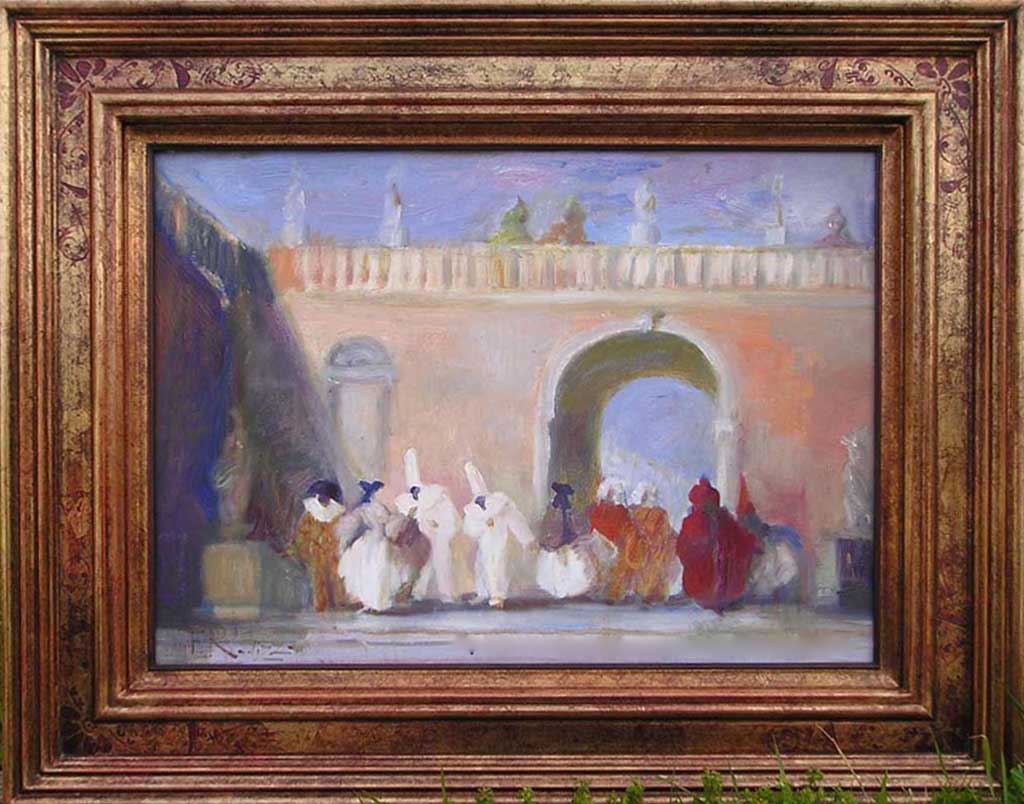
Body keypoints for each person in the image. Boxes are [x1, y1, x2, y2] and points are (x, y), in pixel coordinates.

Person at [676, 476, 758, 613]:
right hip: (710, 586)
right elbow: (683, 549)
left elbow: (682, 549)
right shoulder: (717, 519)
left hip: (713, 588)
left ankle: (716, 596)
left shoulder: (719, 520)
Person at [395, 448, 465, 603]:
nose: (415, 493)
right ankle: (419, 592)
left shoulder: (436, 496)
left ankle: (445, 594)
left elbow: (448, 515)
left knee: (441, 560)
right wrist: (413, 517)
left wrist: (438, 524)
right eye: (412, 490)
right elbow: (410, 519)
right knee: (425, 563)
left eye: (417, 490)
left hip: (439, 533)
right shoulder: (407, 501)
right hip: (424, 537)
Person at [462, 463, 535, 608]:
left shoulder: (500, 504)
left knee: (498, 566)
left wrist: (527, 539)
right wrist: (483, 525)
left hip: (500, 541)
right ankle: (485, 593)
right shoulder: (472, 512)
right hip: (485, 544)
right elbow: (469, 530)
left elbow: (516, 521)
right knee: (483, 566)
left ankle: (498, 596)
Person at [536, 482, 618, 600]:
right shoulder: (559, 513)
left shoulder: (562, 511)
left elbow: (575, 527)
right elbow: (558, 530)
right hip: (560, 546)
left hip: (564, 544)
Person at [337, 479, 407, 613]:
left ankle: (373, 602)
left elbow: (352, 524)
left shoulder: (363, 509)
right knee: (376, 571)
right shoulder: (378, 508)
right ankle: (376, 602)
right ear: (374, 494)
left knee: (370, 571)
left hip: (370, 541)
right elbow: (388, 522)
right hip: (378, 541)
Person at [736, 475, 803, 603]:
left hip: (774, 601)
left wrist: (777, 586)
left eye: (749, 526)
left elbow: (790, 569)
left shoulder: (777, 547)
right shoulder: (743, 552)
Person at [286, 480, 347, 613]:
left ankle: (339, 603)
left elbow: (343, 532)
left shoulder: (338, 513)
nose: (322, 499)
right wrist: (299, 547)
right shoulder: (310, 513)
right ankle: (321, 605)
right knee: (317, 579)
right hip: (316, 551)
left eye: (325, 496)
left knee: (336, 576)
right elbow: (302, 532)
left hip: (333, 550)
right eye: (320, 496)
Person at [628, 483, 677, 604]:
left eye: (655, 495)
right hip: (646, 548)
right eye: (652, 495)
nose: (655, 497)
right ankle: (648, 593)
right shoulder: (640, 512)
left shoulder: (657, 513)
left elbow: (666, 531)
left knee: (655, 566)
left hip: (653, 547)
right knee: (650, 567)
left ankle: (650, 593)